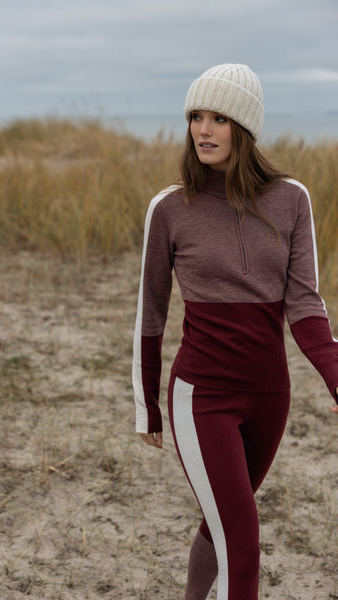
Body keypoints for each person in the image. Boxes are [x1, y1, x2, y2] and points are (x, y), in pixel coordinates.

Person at [132, 63, 338, 600]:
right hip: (202, 395)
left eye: (219, 118)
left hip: (270, 393)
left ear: (244, 127)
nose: (203, 130)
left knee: (222, 523)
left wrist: (335, 375)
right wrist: (146, 404)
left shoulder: (292, 199)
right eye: (195, 117)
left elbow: (305, 302)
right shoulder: (170, 207)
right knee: (242, 545)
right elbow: (151, 311)